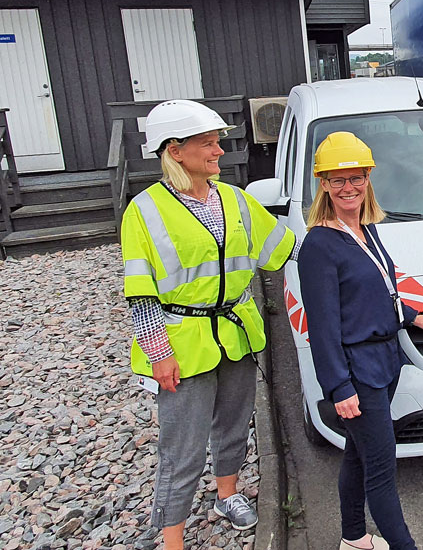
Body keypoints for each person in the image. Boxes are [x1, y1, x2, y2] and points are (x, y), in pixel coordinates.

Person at [121, 99, 297, 549]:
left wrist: (348, 247)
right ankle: (173, 539)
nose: (219, 151)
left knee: (234, 425)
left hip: (235, 334)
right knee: (181, 447)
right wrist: (158, 354)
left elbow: (286, 247)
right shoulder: (144, 211)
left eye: (218, 142)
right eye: (208, 143)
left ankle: (226, 494)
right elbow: (141, 293)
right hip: (181, 344)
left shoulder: (234, 199)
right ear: (175, 151)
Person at [297, 131, 423, 550]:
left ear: (368, 178)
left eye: (356, 178)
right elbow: (322, 324)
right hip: (357, 371)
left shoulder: (364, 228)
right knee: (381, 469)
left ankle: (353, 539)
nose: (348, 187)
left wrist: (414, 316)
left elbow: (380, 294)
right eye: (337, 180)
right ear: (323, 185)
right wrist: (338, 387)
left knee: (358, 454)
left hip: (385, 360)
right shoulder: (319, 245)